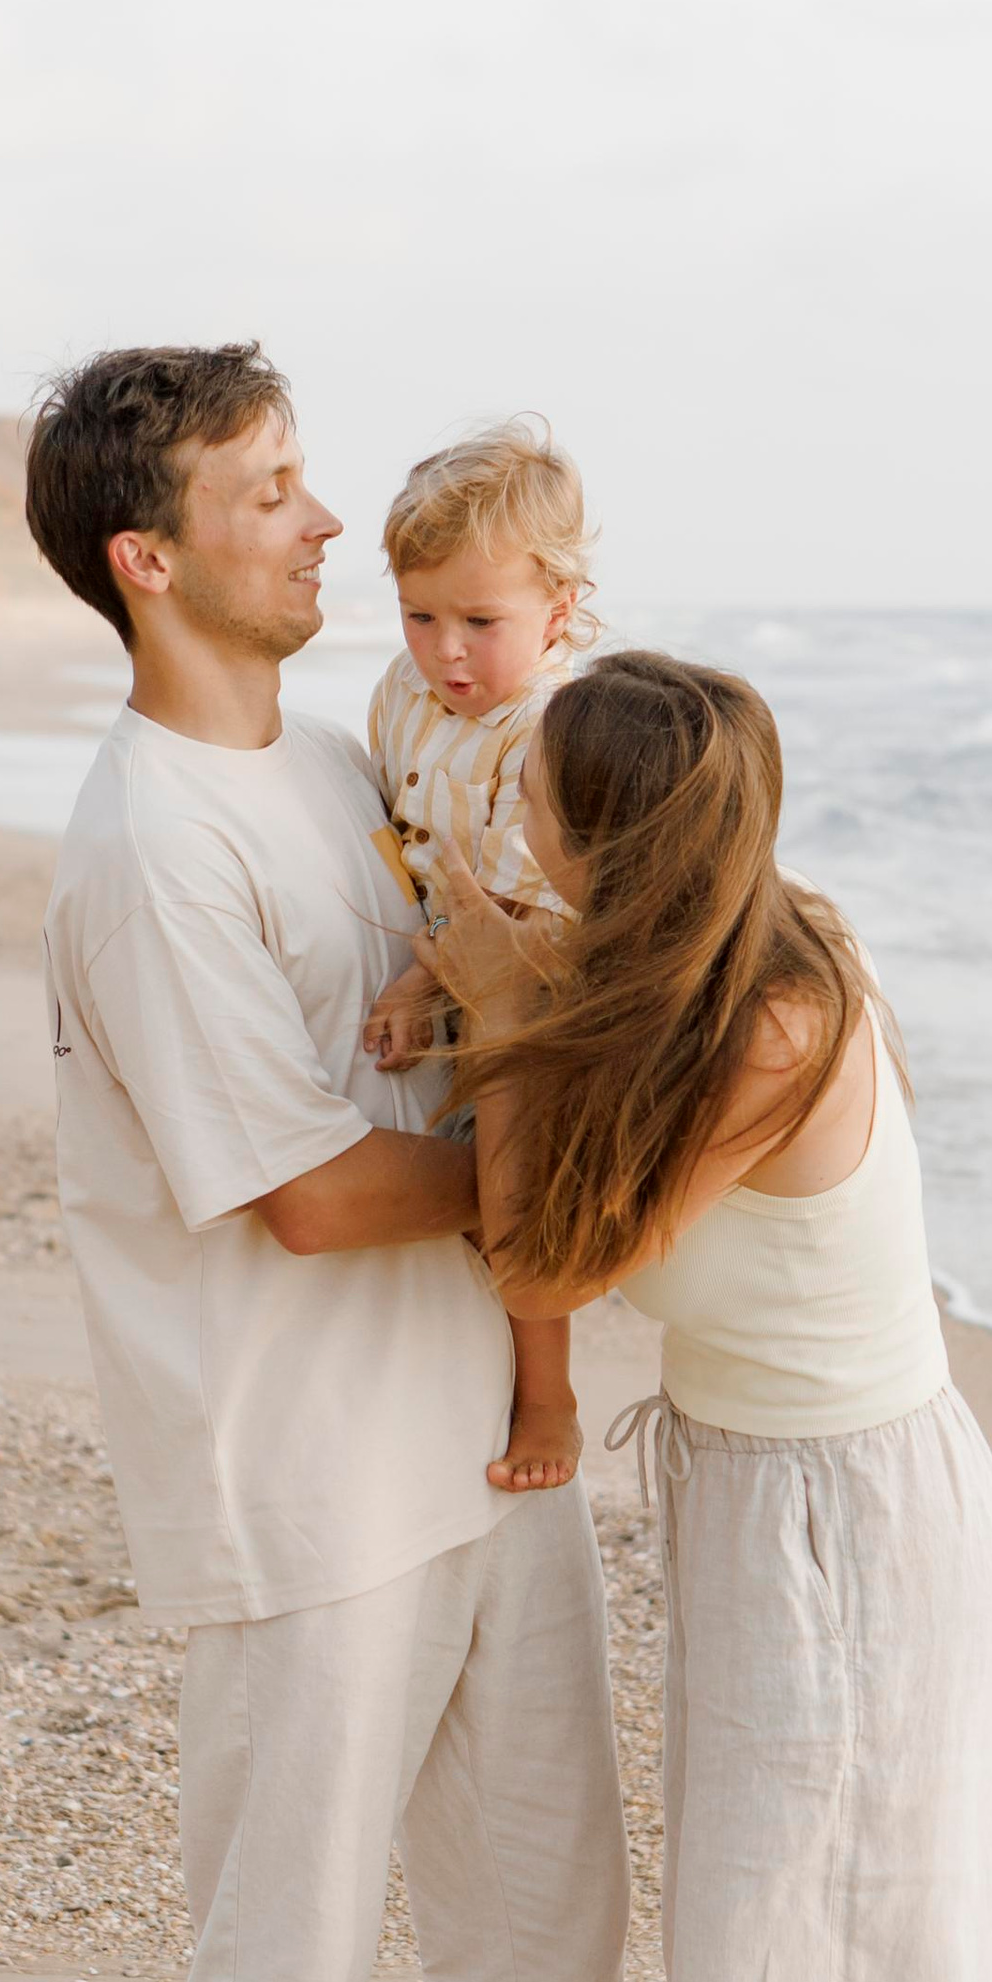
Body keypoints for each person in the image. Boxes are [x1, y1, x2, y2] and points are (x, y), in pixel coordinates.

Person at [24, 342, 672, 1982]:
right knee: (284, 1946)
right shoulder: (143, 845)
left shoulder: (337, 762)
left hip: (483, 1446)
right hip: (294, 1478)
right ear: (151, 557)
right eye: (272, 491)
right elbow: (307, 1191)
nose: (319, 525)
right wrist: (618, 1165)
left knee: (543, 1916)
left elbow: (492, 1008)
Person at [423, 649, 992, 1982]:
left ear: (608, 832)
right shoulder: (704, 963)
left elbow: (551, 1261)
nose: (510, 811)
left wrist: (501, 1020)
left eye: (535, 792)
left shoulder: (770, 1015)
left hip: (848, 1530)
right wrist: (522, 984)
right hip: (766, 1504)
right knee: (770, 1973)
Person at [360, 416, 596, 1496]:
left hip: (528, 977)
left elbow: (514, 896)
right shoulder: (403, 698)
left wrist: (418, 978)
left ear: (558, 608)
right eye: (420, 615)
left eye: (480, 621)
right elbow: (388, 823)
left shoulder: (549, 724)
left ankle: (546, 1387)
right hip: (448, 950)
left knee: (516, 1189)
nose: (445, 650)